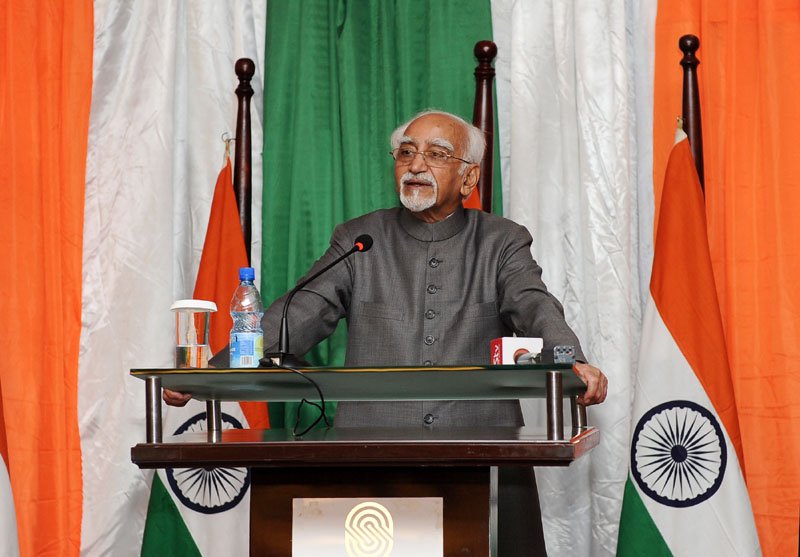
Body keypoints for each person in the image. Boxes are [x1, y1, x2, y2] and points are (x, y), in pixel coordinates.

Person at [165, 109, 607, 555]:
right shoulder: (360, 238)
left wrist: (571, 360)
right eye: (406, 152)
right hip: (372, 455)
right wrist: (209, 374)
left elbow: (533, 304)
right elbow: (296, 316)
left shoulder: (501, 241)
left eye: (436, 154)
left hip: (482, 453)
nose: (416, 165)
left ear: (469, 179)